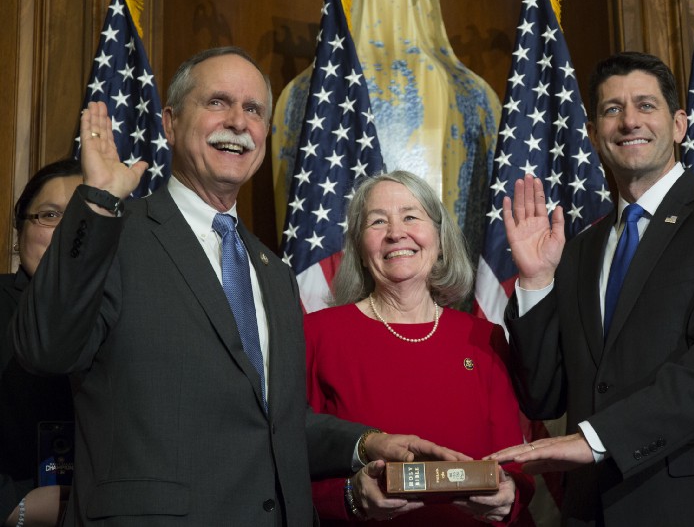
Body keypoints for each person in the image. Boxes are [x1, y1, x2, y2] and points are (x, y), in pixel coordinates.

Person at [11, 47, 463, 526]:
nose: (238, 122)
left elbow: (274, 425)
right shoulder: (116, 235)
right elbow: (44, 348)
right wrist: (98, 201)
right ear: (169, 122)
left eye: (253, 110)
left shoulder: (273, 271)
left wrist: (366, 443)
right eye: (217, 102)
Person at [489, 52, 694, 525]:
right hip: (593, 510)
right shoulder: (579, 248)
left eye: (646, 106)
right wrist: (536, 280)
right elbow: (544, 396)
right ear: (592, 134)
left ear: (679, 125)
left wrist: (595, 438)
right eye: (612, 109)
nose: (630, 121)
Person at [305, 170, 534, 525]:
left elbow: (514, 465)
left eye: (411, 216)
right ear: (360, 250)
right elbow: (292, 460)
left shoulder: (485, 337)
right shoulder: (318, 334)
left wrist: (510, 496)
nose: (396, 233)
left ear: (439, 239)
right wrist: (350, 497)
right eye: (378, 221)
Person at [1, 159, 81, 526]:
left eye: (83, 217)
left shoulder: (136, 315)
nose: (66, 232)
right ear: (19, 230)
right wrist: (14, 507)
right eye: (50, 216)